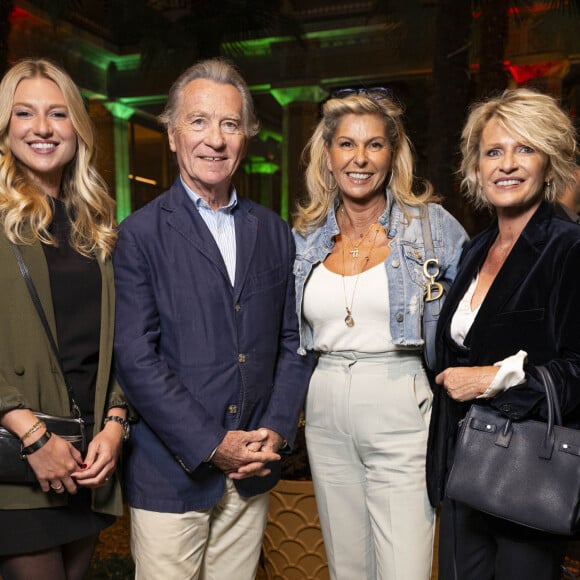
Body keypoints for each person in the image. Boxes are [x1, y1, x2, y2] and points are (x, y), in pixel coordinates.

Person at [113, 58, 312, 580]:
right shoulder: (139, 235)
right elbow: (135, 358)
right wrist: (211, 445)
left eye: (229, 124)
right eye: (198, 122)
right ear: (173, 134)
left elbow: (293, 342)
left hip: (251, 467)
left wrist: (273, 429)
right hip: (170, 474)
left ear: (245, 136)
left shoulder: (273, 231)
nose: (215, 139)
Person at [293, 87, 468, 580]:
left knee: (404, 568)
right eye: (346, 144)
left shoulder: (431, 227)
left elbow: (478, 316)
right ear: (327, 156)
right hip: (324, 405)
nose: (360, 158)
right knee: (348, 568)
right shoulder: (304, 237)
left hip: (402, 399)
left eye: (375, 144)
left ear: (393, 154)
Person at [427, 88, 580, 580]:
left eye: (525, 149)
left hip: (528, 479)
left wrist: (493, 379)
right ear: (476, 168)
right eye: (494, 151)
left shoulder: (568, 247)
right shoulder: (476, 248)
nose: (507, 165)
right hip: (463, 473)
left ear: (548, 162)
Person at [0, 59, 128, 580]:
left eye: (58, 113)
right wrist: (32, 437)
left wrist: (116, 425)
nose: (43, 128)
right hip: (18, 462)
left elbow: (114, 341)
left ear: (77, 125)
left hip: (83, 461)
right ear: (5, 127)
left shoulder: (92, 225)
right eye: (24, 113)